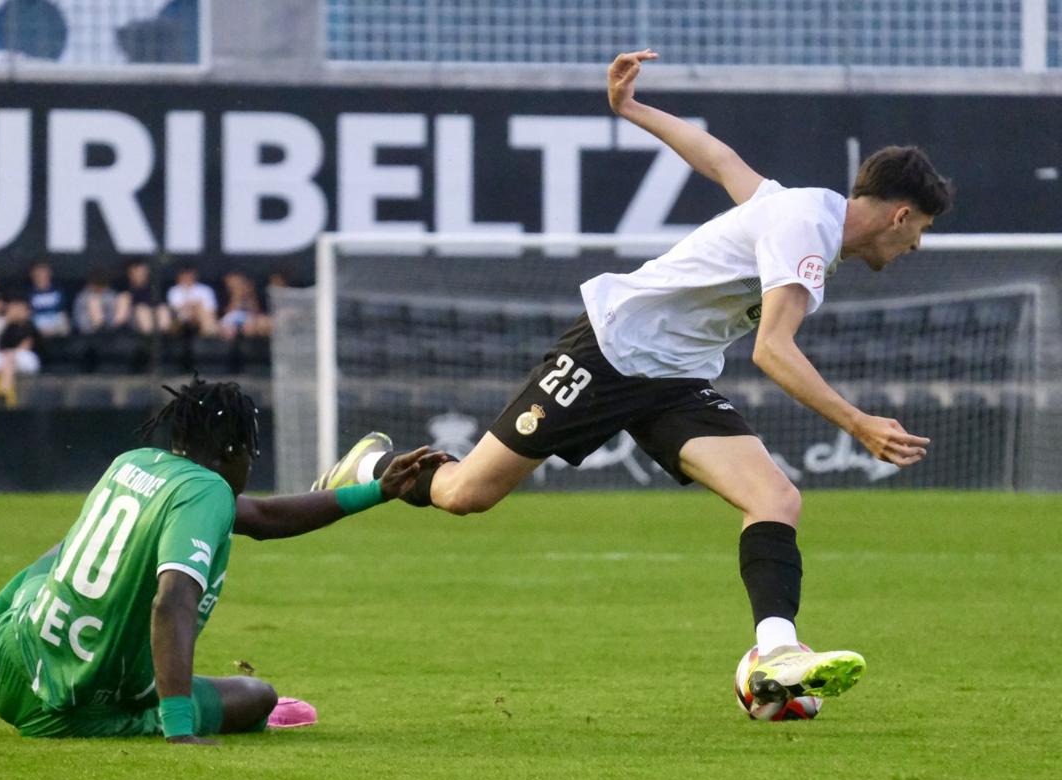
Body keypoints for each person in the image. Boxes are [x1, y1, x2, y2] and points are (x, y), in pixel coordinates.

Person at [314, 50, 953, 713]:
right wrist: (857, 422)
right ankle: (377, 466)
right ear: (901, 214)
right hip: (609, 352)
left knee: (775, 497)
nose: (916, 249)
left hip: (673, 377)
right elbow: (772, 349)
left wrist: (631, 109)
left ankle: (772, 660)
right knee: (466, 493)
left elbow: (718, 161)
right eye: (921, 233)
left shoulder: (794, 209)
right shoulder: (805, 230)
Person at [0, 377, 444, 742]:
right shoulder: (206, 493)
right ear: (232, 453)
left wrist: (374, 491)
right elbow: (171, 602)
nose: (252, 462)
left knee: (47, 565)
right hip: (71, 707)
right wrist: (178, 728)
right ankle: (184, 708)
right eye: (250, 451)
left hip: (9, 665)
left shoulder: (137, 462)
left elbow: (266, 520)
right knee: (259, 696)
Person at [115, 257, 171, 335]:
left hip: (153, 317)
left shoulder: (153, 288)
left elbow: (158, 305)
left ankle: (163, 339)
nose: (141, 275)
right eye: (137, 272)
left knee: (162, 309)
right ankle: (148, 340)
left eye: (143, 272)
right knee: (141, 310)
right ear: (130, 273)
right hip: (133, 320)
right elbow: (120, 316)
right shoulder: (123, 288)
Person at [219, 269, 272, 341]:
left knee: (254, 325)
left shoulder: (254, 294)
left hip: (250, 319)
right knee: (229, 329)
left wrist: (250, 295)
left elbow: (256, 311)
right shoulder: (224, 294)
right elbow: (226, 314)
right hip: (229, 320)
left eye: (240, 283)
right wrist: (236, 296)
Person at [166, 265, 218, 337]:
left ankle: (209, 340)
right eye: (184, 276)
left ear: (194, 276)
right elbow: (175, 309)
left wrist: (194, 309)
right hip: (180, 320)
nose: (187, 278)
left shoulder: (205, 290)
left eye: (189, 276)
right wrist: (192, 306)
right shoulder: (174, 290)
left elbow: (211, 309)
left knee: (208, 319)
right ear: (179, 277)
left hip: (200, 317)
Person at [26, 258, 70, 337]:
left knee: (63, 319)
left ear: (49, 273)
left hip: (56, 324)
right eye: (38, 273)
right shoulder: (29, 293)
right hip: (37, 326)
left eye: (44, 272)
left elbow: (61, 311)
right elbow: (29, 313)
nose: (42, 276)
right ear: (32, 275)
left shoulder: (58, 291)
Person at [72, 268, 120, 335]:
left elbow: (114, 317)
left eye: (102, 286)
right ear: (91, 284)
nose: (99, 289)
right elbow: (80, 321)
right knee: (93, 301)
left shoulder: (111, 295)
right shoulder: (83, 297)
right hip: (90, 333)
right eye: (97, 285)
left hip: (110, 332)